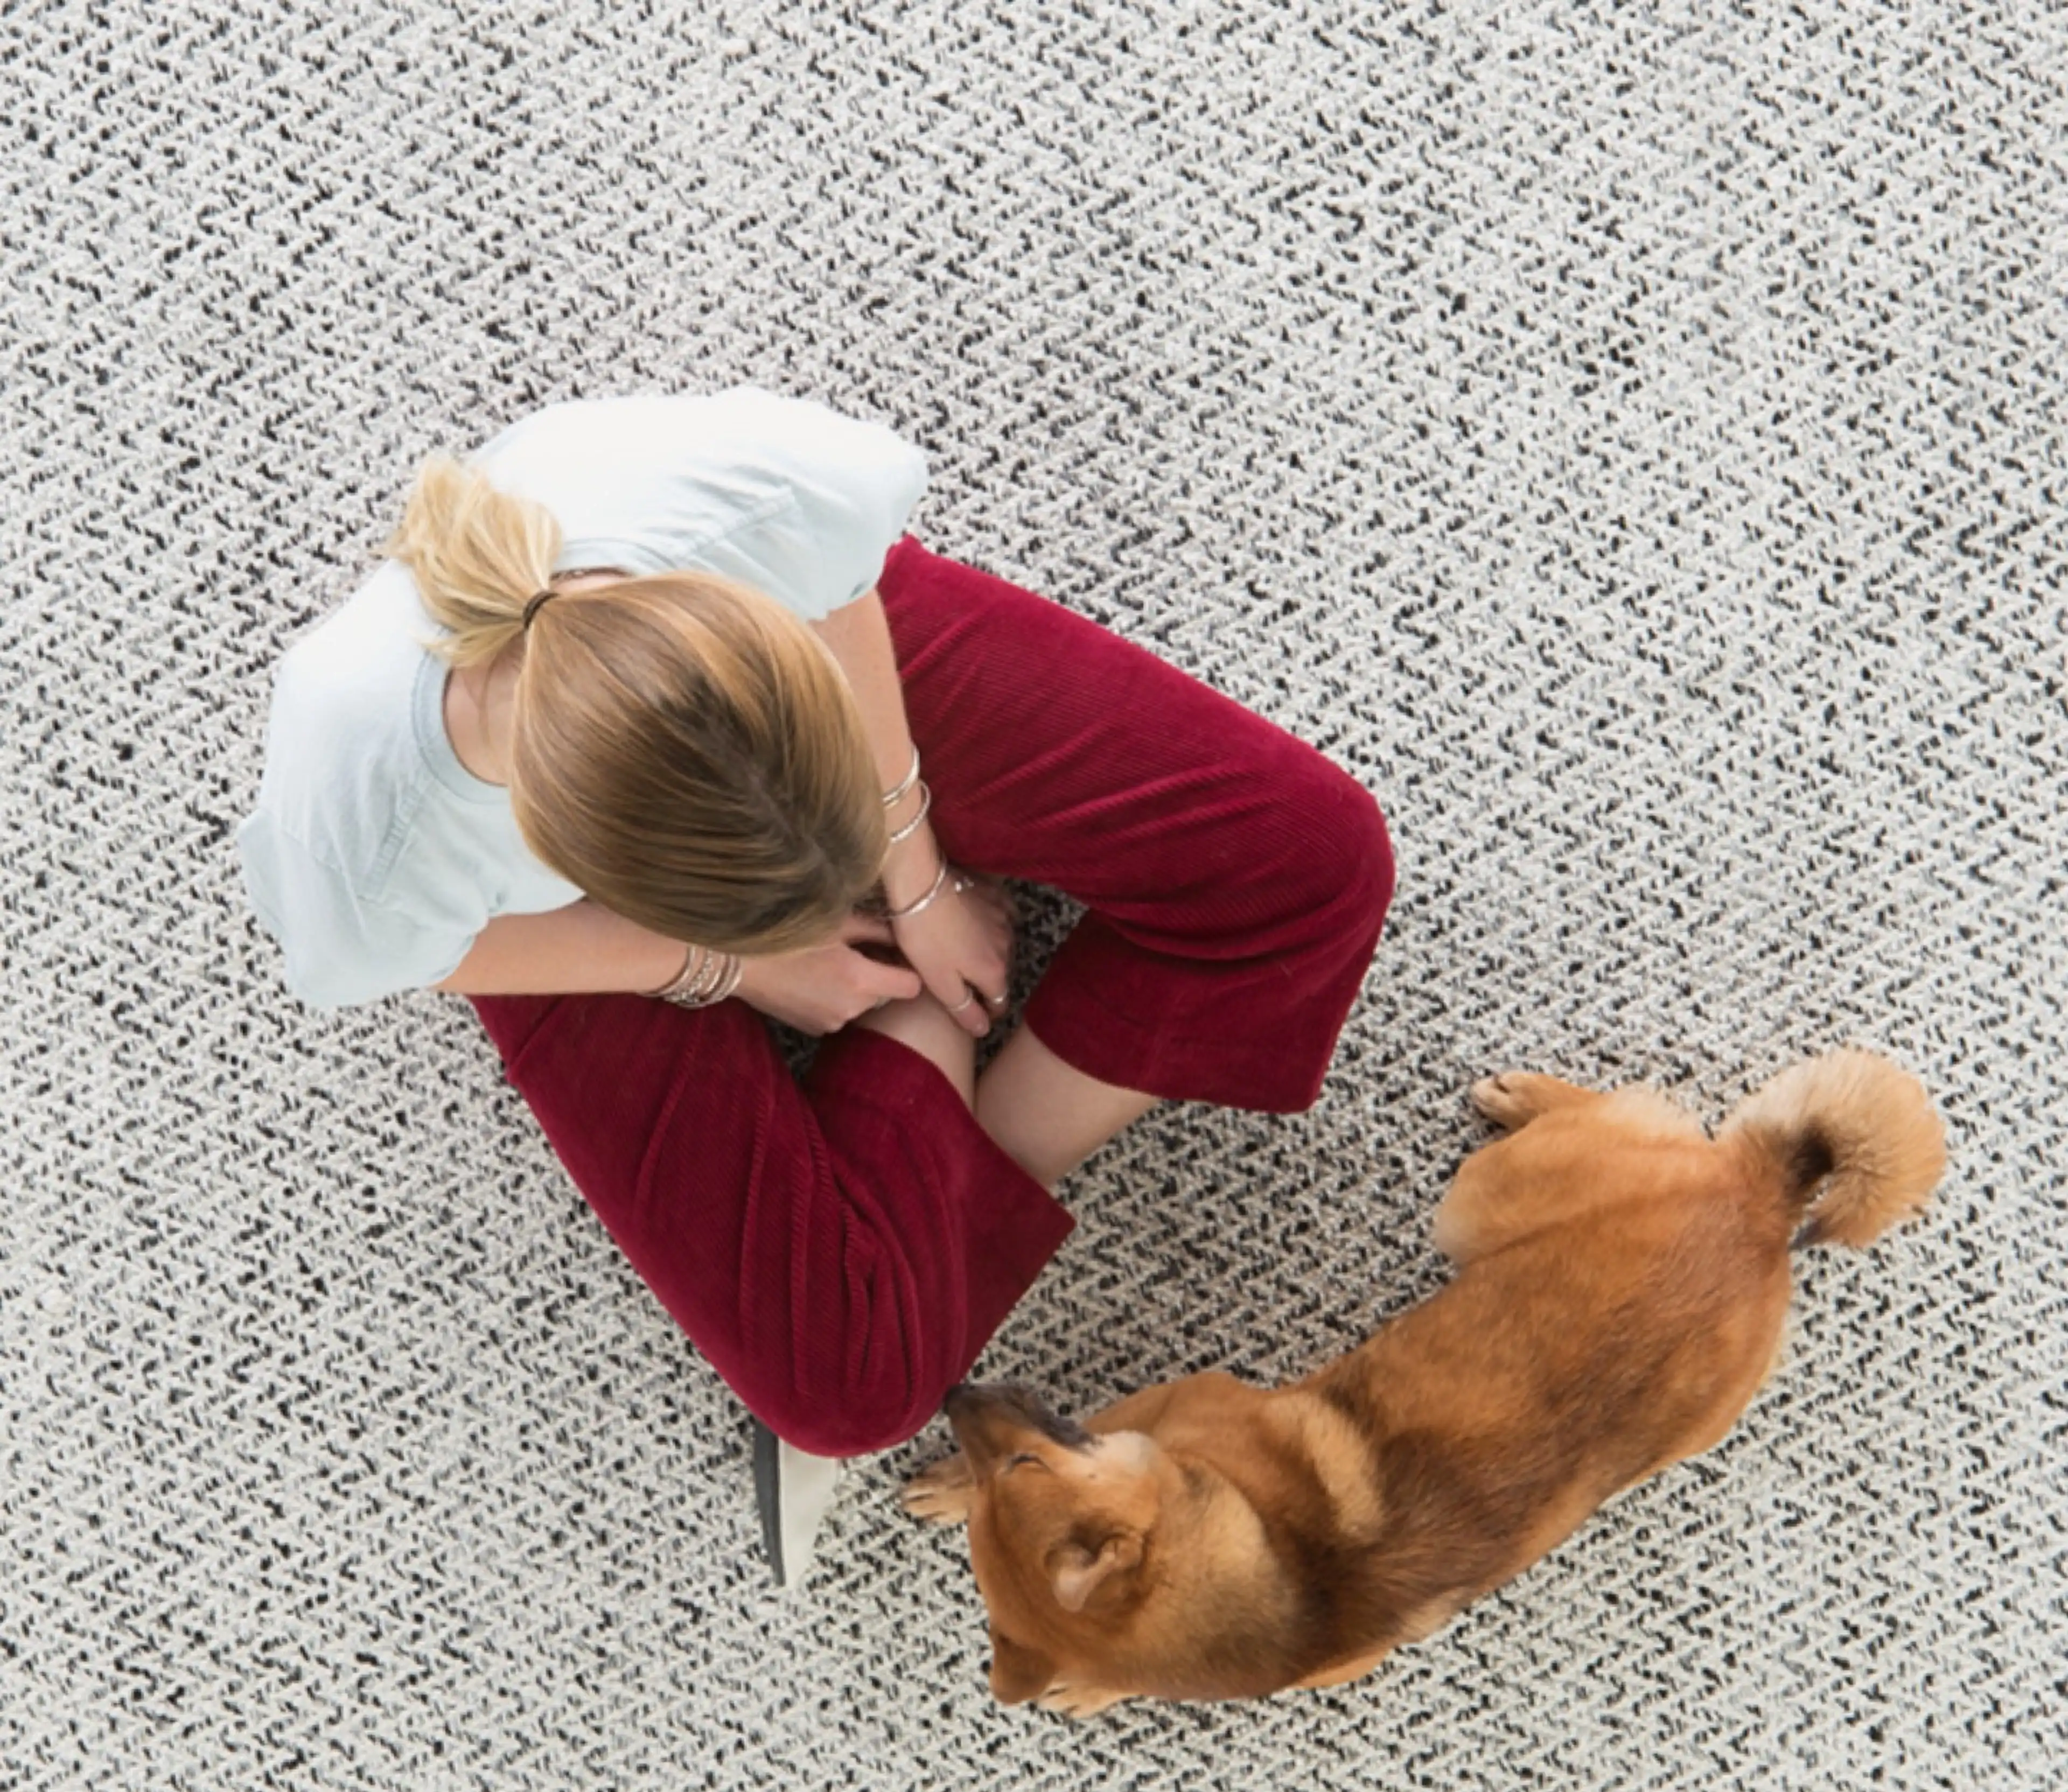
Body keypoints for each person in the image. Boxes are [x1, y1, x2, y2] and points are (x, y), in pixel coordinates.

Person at [239, 389, 1394, 1582]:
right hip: (590, 925)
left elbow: (845, 602)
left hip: (802, 696)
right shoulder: (368, 842)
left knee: (1317, 863)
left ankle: (919, 1160)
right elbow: (436, 956)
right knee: (851, 1396)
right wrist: (724, 965)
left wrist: (918, 868)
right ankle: (917, 1127)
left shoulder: (767, 492)